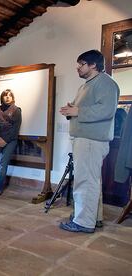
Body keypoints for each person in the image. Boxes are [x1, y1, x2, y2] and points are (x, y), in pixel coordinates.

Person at [59, 49, 119, 233]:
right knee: (91, 180)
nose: (78, 67)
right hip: (85, 139)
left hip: (92, 140)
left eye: (81, 64)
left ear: (93, 65)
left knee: (85, 181)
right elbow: (86, 109)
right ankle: (94, 217)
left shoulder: (106, 83)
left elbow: (107, 110)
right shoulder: (87, 85)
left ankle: (84, 222)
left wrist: (78, 111)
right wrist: (73, 110)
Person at [0, 89, 22, 197]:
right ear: (2, 97)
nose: (7, 97)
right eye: (5, 95)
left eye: (9, 95)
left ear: (12, 98)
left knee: (2, 164)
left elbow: (15, 128)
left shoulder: (17, 110)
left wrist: (5, 140)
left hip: (10, 140)